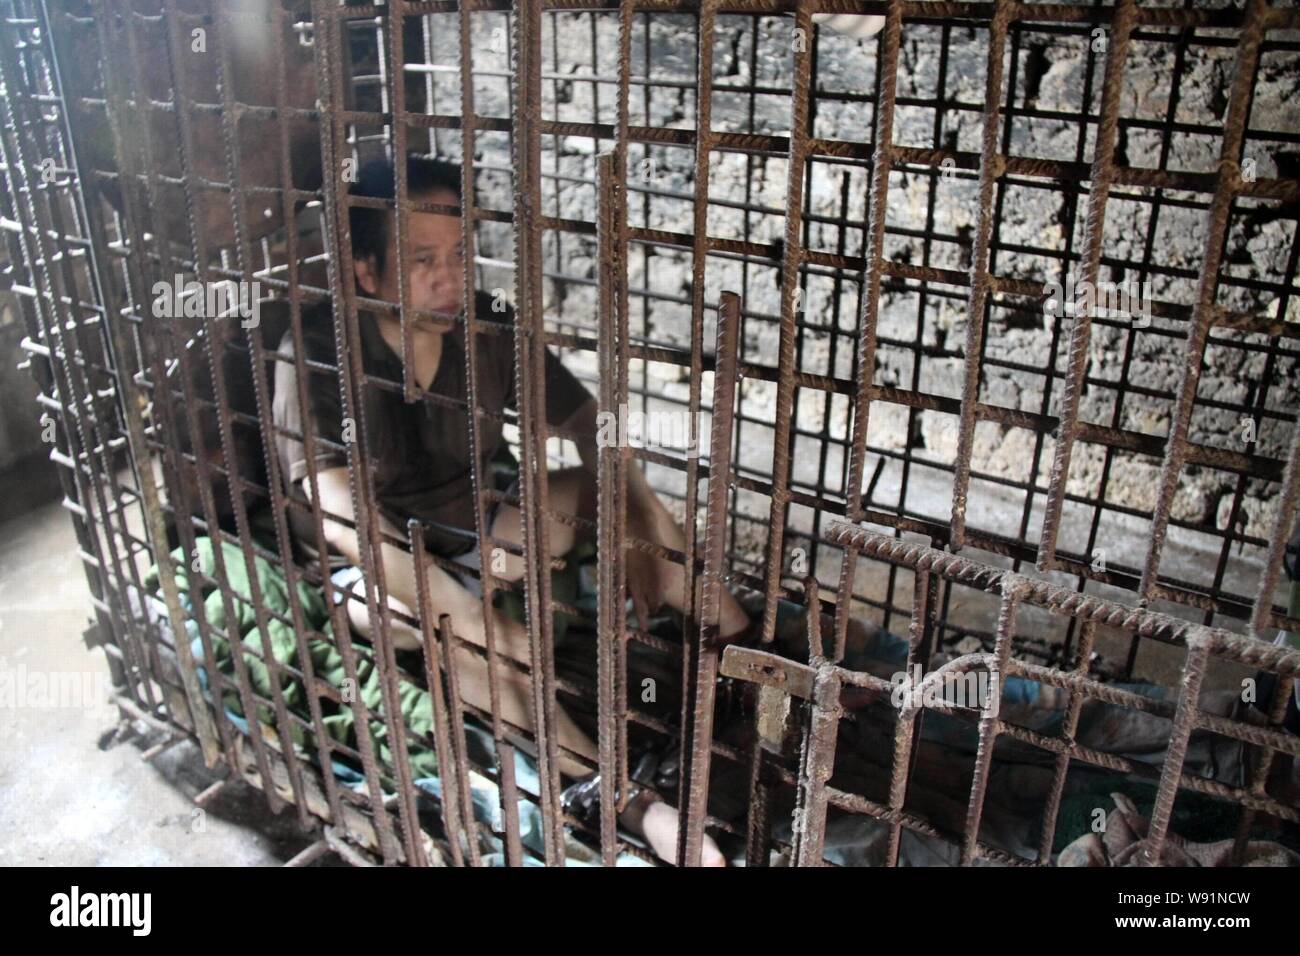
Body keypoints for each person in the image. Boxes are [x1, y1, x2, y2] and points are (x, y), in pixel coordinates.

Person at [271, 154, 751, 864]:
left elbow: (592, 425)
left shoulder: (485, 323)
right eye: (422, 259)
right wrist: (474, 619)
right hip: (381, 573)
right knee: (447, 631)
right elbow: (345, 521)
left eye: (461, 253)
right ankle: (618, 797)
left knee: (611, 500)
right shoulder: (314, 351)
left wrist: (642, 521)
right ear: (365, 270)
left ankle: (746, 659)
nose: (451, 277)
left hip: (480, 526)